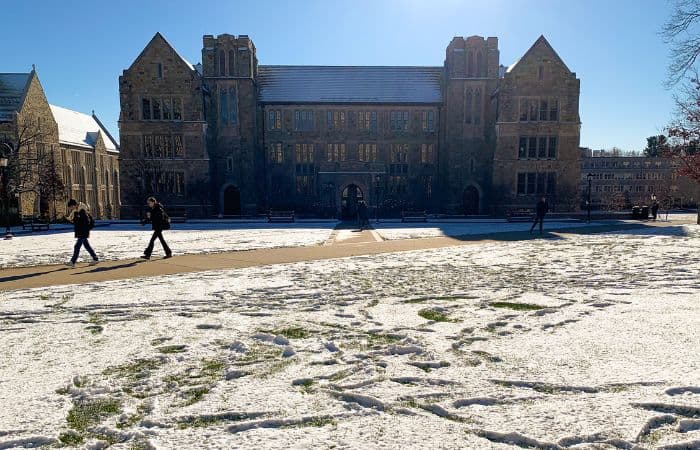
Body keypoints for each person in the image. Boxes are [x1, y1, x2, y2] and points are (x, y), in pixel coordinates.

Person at [65, 199, 98, 267]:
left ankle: (72, 262)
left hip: (83, 231)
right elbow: (77, 220)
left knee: (77, 246)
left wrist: (75, 219)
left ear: (73, 205)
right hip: (82, 231)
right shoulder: (77, 210)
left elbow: (82, 222)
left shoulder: (82, 210)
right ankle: (95, 258)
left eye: (71, 207)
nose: (71, 209)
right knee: (86, 246)